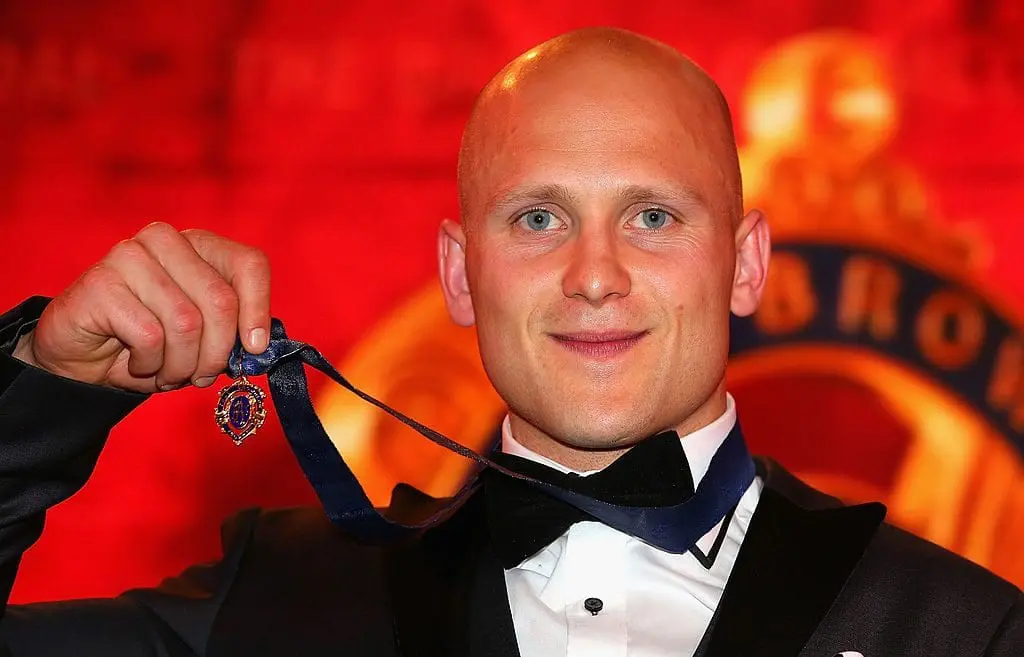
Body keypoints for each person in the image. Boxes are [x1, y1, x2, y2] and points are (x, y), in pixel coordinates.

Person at [0, 26, 1019, 657]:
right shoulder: (277, 600)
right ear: (457, 272)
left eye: (653, 217)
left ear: (746, 264)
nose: (593, 271)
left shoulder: (964, 631)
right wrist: (43, 390)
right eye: (538, 218)